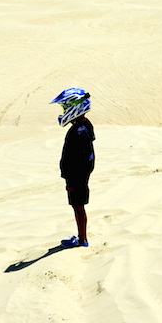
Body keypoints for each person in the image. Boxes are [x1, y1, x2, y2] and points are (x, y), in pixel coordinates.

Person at [50, 88, 95, 248]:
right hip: (77, 176)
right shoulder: (83, 126)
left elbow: (82, 159)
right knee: (78, 207)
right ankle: (81, 238)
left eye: (65, 107)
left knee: (78, 207)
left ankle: (82, 240)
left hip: (77, 177)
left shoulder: (79, 131)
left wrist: (72, 179)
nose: (63, 112)